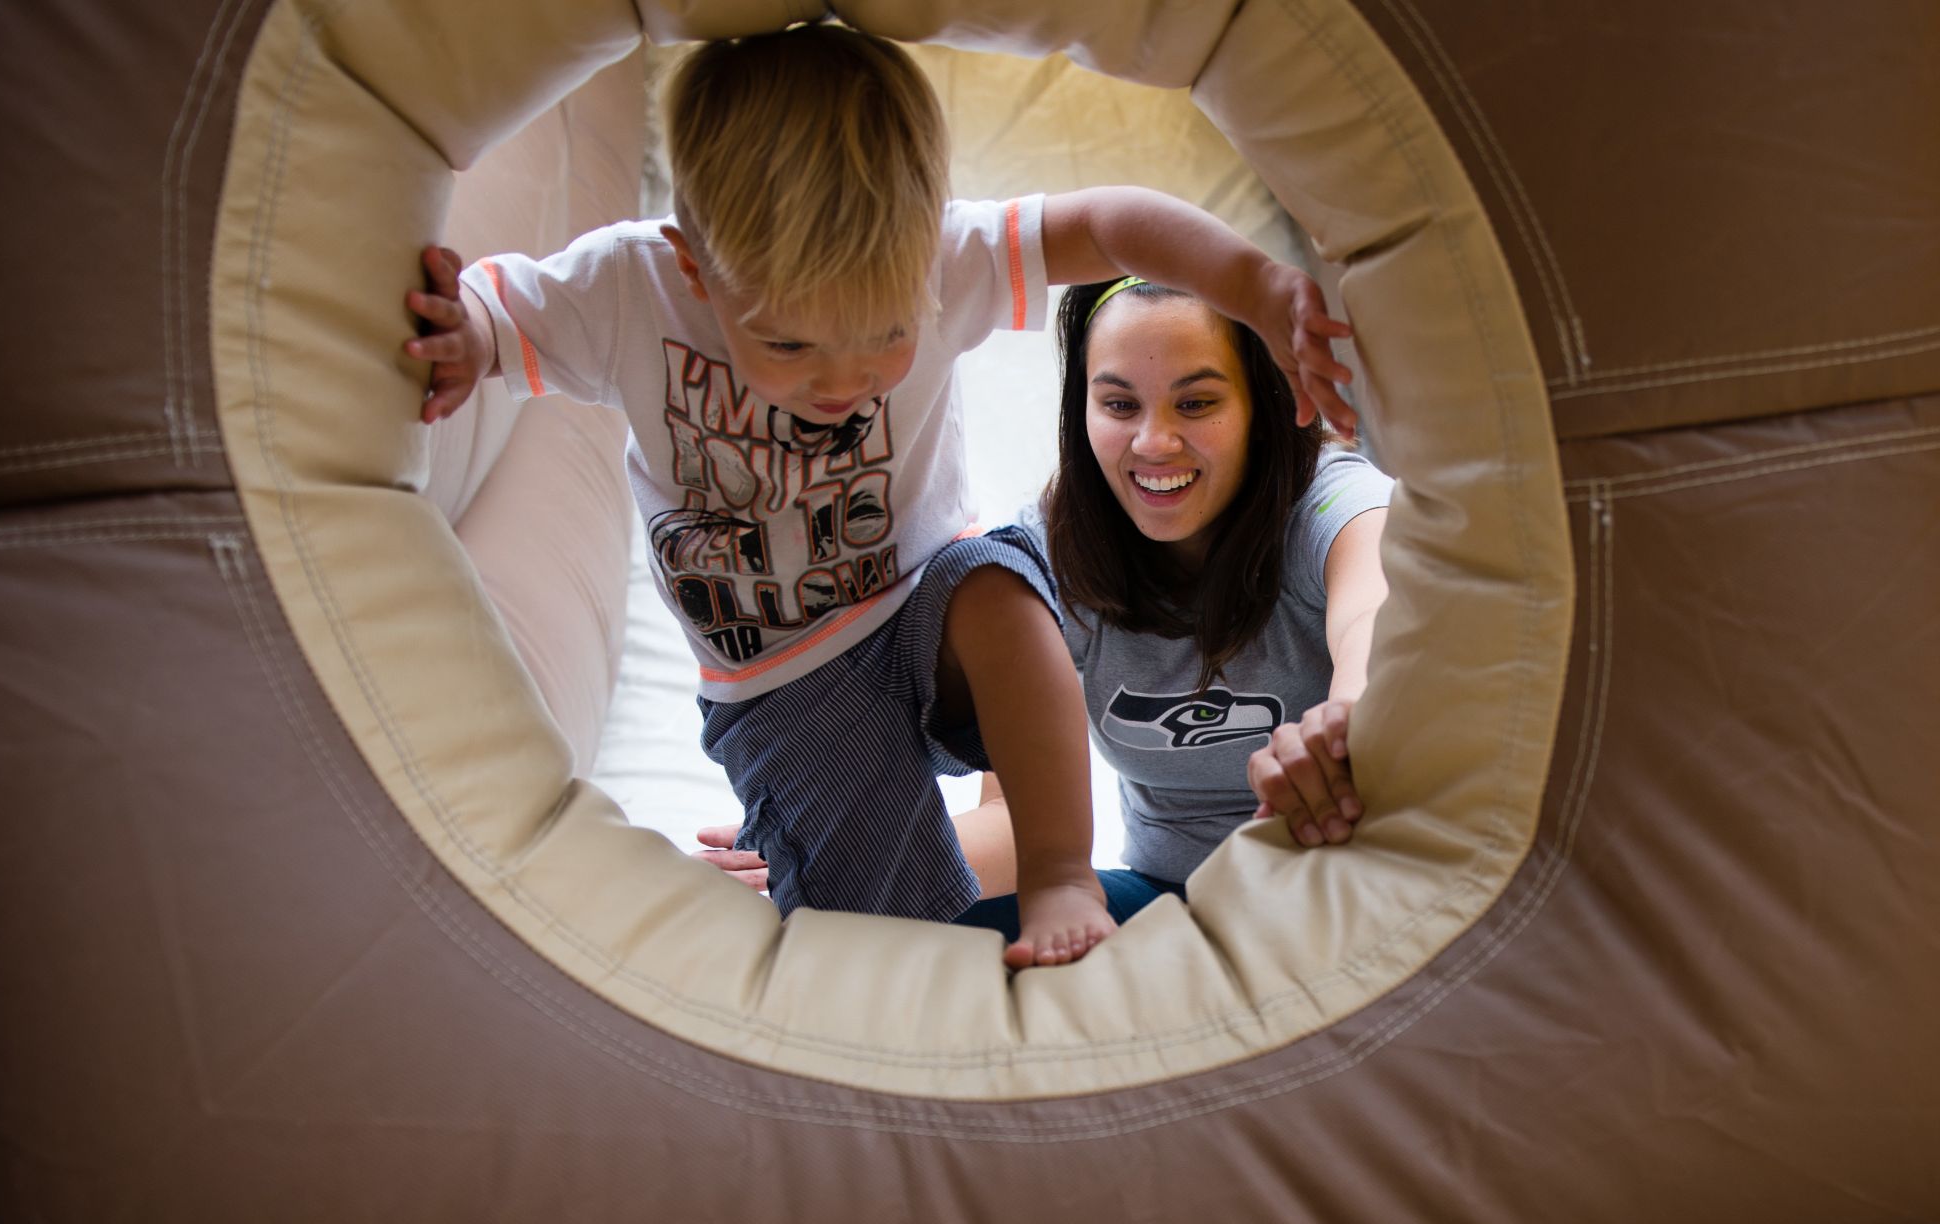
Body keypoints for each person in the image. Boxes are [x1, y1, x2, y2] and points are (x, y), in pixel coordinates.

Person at [403, 24, 1357, 967]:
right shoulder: (630, 286)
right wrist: (467, 334)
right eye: (788, 344)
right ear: (693, 262)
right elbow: (503, 308)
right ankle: (832, 876)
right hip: (784, 678)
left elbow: (1107, 223)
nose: (842, 380)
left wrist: (1259, 286)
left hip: (922, 604)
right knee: (883, 934)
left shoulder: (942, 257)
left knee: (998, 583)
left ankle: (1063, 870)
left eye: (887, 335)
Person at [702, 277, 1391, 936]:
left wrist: (1347, 721)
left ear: (1259, 406)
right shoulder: (1045, 558)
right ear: (1082, 409)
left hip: (1333, 890)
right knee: (907, 943)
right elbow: (1013, 829)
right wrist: (838, 871)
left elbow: (1378, 612)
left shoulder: (1325, 501)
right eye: (1120, 405)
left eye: (1196, 403)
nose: (1153, 441)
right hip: (1170, 904)